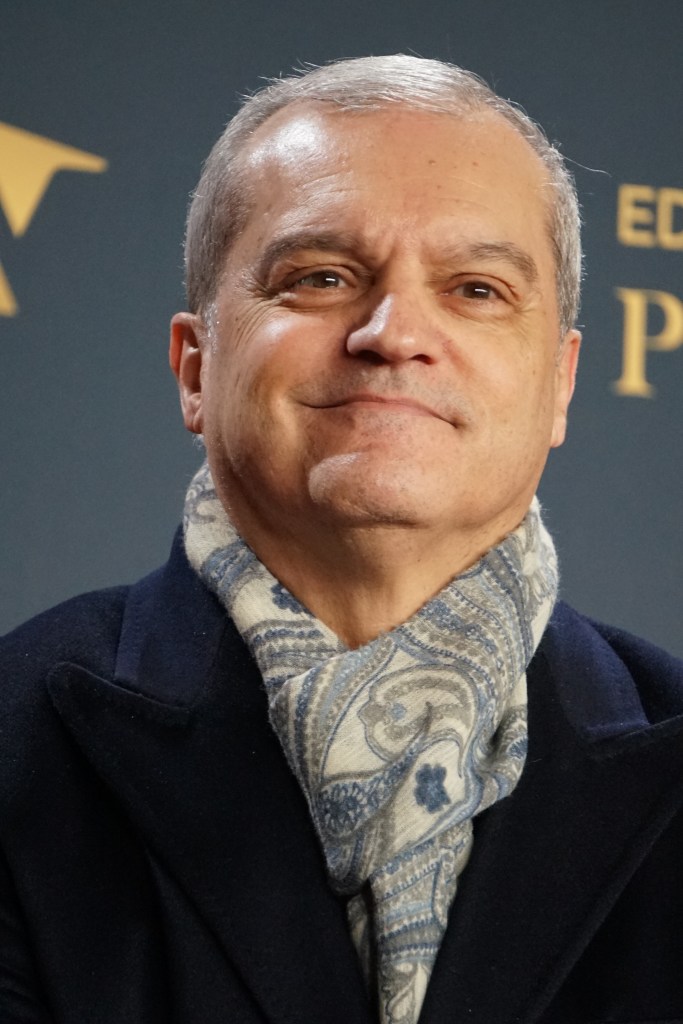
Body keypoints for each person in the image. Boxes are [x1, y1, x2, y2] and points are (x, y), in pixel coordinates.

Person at [2, 54, 683, 1024]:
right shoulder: (14, 738)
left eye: (476, 289)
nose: (394, 332)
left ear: (561, 383)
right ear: (194, 367)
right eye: (321, 277)